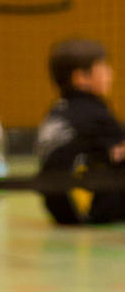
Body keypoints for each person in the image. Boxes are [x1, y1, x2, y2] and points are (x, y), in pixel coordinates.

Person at [36, 38, 125, 224]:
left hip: (58, 209)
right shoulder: (94, 112)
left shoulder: (56, 112)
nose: (110, 73)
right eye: (103, 68)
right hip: (89, 206)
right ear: (80, 78)